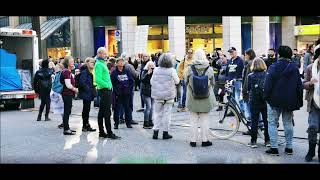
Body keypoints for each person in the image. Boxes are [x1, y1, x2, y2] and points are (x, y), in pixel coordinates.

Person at [264, 46, 303, 156]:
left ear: (279, 55)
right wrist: (298, 101)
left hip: (274, 100)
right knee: (288, 123)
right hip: (289, 101)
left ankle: (274, 148)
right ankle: (289, 147)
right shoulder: (294, 68)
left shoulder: (273, 67)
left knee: (272, 123)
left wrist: (266, 96)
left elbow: (268, 84)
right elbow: (299, 86)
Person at [184, 49, 216, 147]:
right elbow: (213, 83)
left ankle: (193, 140)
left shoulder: (189, 69)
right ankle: (204, 140)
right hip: (205, 98)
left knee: (193, 120)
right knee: (204, 120)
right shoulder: (209, 69)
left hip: (192, 97)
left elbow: (185, 82)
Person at [150, 53, 180, 140]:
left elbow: (152, 82)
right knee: (167, 114)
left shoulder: (156, 70)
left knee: (157, 114)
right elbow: (177, 81)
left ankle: (155, 132)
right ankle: (165, 133)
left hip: (158, 96)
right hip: (168, 96)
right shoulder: (172, 70)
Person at [95, 47, 120, 139]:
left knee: (102, 111)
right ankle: (109, 132)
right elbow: (98, 79)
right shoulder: (99, 64)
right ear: (100, 54)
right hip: (105, 90)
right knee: (107, 112)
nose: (106, 55)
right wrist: (108, 85)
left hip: (105, 90)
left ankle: (102, 132)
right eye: (105, 54)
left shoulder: (102, 63)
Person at [246, 58, 270, 148]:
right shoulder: (267, 75)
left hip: (254, 100)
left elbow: (248, 89)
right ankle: (267, 141)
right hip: (265, 100)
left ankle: (253, 141)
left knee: (254, 121)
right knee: (266, 121)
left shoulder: (250, 76)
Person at [303, 48, 320, 162]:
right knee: (313, 128)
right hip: (314, 103)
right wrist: (310, 83)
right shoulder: (310, 68)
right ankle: (311, 151)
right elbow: (304, 83)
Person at [111, 57, 134, 129]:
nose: (121, 63)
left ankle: (128, 123)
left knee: (127, 108)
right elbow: (112, 83)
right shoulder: (114, 73)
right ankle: (116, 123)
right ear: (117, 63)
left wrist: (129, 90)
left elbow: (131, 81)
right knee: (117, 109)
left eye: (122, 62)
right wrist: (117, 91)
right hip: (118, 94)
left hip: (126, 94)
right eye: (120, 62)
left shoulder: (127, 71)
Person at [60, 56, 78, 135]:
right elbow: (68, 85)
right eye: (71, 61)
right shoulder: (66, 71)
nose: (73, 62)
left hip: (67, 94)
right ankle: (66, 129)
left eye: (73, 61)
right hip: (67, 94)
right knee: (67, 111)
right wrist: (75, 89)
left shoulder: (67, 71)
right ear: (67, 63)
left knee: (67, 111)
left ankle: (67, 128)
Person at [78, 57, 97, 132]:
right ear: (87, 63)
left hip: (88, 93)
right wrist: (89, 88)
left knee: (87, 109)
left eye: (93, 62)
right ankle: (85, 125)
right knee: (86, 110)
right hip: (86, 93)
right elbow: (82, 82)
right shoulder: (85, 72)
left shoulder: (89, 71)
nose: (93, 64)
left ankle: (86, 125)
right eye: (91, 62)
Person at [241, 49, 256, 135]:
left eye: (245, 55)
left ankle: (252, 129)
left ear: (249, 55)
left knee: (250, 111)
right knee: (254, 110)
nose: (244, 56)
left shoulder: (249, 64)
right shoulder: (254, 62)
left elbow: (247, 79)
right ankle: (257, 127)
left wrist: (244, 90)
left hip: (249, 91)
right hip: (254, 90)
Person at [141, 61, 155, 129]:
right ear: (147, 66)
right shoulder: (144, 71)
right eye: (149, 66)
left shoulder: (155, 72)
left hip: (153, 92)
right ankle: (145, 122)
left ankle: (150, 121)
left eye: (152, 66)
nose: (151, 67)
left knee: (152, 107)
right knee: (148, 107)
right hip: (146, 92)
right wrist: (148, 74)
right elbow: (142, 80)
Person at [51, 63, 65, 129]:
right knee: (61, 109)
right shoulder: (57, 74)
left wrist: (56, 91)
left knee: (62, 109)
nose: (55, 68)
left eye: (56, 67)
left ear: (61, 68)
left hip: (59, 93)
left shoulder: (60, 74)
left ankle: (64, 122)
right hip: (58, 93)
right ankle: (64, 122)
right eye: (55, 67)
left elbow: (59, 84)